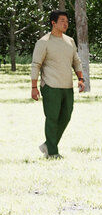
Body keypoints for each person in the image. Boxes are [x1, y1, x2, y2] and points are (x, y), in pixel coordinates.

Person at [30, 10, 88, 158]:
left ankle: (48, 145)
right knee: (52, 118)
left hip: (67, 87)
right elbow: (36, 64)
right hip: (50, 86)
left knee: (66, 116)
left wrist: (81, 79)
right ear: (53, 23)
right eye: (62, 21)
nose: (66, 24)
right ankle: (53, 152)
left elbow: (76, 61)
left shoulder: (70, 41)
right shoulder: (43, 42)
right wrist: (34, 87)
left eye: (67, 21)